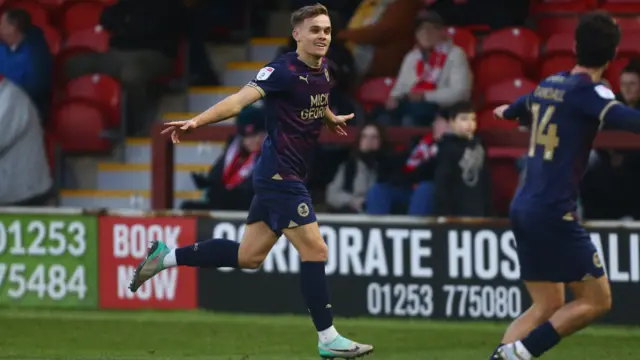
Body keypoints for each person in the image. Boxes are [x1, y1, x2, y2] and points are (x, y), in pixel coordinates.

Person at [128, 4, 373, 359]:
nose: (323, 36)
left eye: (327, 30)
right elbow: (239, 101)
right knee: (315, 250)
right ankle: (328, 337)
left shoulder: (322, 70)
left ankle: (164, 258)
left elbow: (312, 100)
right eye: (315, 30)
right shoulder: (281, 70)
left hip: (286, 174)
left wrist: (329, 117)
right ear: (297, 35)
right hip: (279, 176)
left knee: (249, 256)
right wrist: (197, 122)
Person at [490, 10, 640, 360]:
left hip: (523, 206)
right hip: (553, 211)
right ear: (613, 55)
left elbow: (520, 104)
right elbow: (627, 119)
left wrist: (505, 113)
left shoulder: (549, 84)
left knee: (547, 304)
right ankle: (520, 353)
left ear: (574, 46)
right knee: (597, 301)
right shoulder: (591, 93)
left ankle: (503, 356)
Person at [182, 106, 266, 211]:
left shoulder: (272, 155)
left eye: (255, 135)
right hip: (227, 205)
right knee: (187, 207)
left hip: (253, 209)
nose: (251, 141)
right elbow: (216, 174)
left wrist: (227, 194)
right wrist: (207, 183)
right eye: (246, 137)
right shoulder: (233, 151)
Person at [433, 102, 492, 217]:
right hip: (455, 213)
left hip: (478, 210)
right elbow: (442, 185)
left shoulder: (480, 146)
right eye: (464, 119)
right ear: (452, 122)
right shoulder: (446, 148)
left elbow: (486, 183)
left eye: (473, 119)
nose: (470, 124)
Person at [325, 122, 385, 213]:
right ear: (359, 140)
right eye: (365, 137)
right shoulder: (349, 166)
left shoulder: (385, 167)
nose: (369, 140)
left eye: (374, 137)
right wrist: (353, 200)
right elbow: (332, 195)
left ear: (380, 141)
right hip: (352, 214)